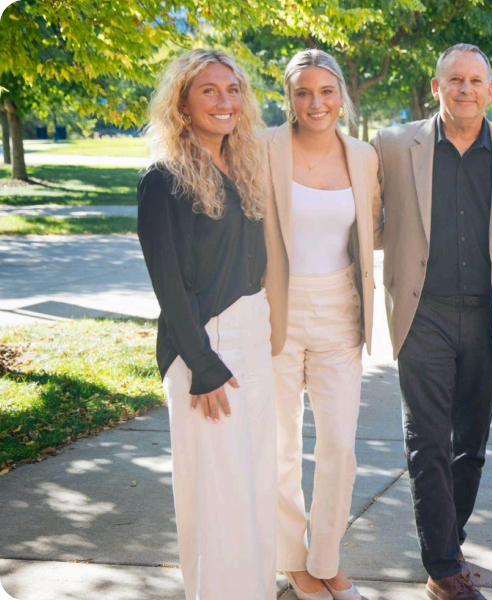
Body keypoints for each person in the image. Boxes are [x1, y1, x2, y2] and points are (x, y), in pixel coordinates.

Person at [369, 43, 492, 600]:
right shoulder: (393, 145)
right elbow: (365, 223)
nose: (466, 89)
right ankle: (443, 568)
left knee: (472, 444)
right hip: (423, 314)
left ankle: (450, 540)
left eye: (476, 81)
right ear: (436, 87)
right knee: (428, 441)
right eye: (454, 80)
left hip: (489, 315)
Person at [137, 49, 276, 600]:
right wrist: (203, 365)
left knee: (254, 482)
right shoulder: (163, 179)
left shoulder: (241, 167)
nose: (225, 102)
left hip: (253, 336)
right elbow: (168, 286)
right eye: (210, 91)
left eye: (233, 90)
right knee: (216, 495)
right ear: (182, 103)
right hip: (205, 349)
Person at [261, 49, 382, 600]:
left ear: (341, 97)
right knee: (281, 445)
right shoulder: (263, 148)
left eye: (326, 91)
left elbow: (373, 230)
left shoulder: (363, 155)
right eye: (303, 92)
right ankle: (293, 561)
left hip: (340, 309)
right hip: (272, 311)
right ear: (289, 96)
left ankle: (327, 558)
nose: (316, 102)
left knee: (338, 443)